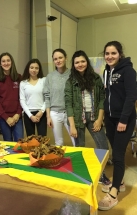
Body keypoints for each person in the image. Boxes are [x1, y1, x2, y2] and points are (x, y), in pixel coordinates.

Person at [98, 41, 136, 211]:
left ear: (120, 54)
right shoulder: (107, 71)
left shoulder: (128, 71)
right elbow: (108, 95)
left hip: (124, 120)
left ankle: (113, 194)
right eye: (107, 53)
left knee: (119, 155)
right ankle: (119, 182)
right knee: (115, 151)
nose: (110, 56)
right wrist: (106, 116)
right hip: (111, 119)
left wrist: (123, 120)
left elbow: (131, 97)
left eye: (113, 53)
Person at [65, 50, 111, 184]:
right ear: (73, 65)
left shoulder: (96, 78)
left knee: (103, 146)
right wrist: (72, 126)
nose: (80, 64)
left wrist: (99, 119)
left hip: (94, 116)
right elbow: (68, 103)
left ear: (87, 62)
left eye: (82, 61)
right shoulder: (70, 81)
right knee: (80, 148)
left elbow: (102, 98)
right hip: (77, 119)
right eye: (77, 62)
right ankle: (82, 175)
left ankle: (101, 174)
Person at [43, 48, 75, 146]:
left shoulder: (73, 75)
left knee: (75, 140)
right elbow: (47, 97)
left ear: (66, 58)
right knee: (58, 142)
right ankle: (59, 161)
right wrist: (48, 116)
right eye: (55, 59)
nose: (58, 61)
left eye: (60, 57)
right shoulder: (50, 77)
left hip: (70, 113)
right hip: (54, 114)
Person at [0, 52, 23, 141]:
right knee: (8, 142)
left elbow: (22, 98)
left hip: (17, 116)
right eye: (3, 61)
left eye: (8, 60)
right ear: (0, 64)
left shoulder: (19, 77)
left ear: (12, 62)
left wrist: (17, 114)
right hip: (3, 118)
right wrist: (6, 117)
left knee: (20, 142)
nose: (6, 63)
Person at [20, 59, 47, 136]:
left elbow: (47, 98)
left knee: (42, 139)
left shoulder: (44, 80)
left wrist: (41, 111)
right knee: (31, 140)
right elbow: (22, 100)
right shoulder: (23, 83)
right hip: (28, 114)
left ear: (39, 69)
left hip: (41, 113)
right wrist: (30, 115)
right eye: (31, 67)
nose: (34, 70)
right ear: (28, 68)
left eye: (36, 68)